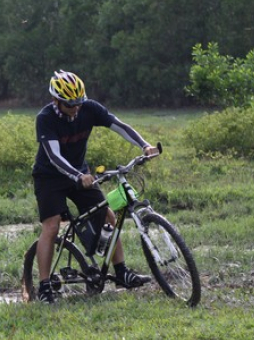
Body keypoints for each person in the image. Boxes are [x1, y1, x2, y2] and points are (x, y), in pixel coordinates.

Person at [32, 69, 160, 304]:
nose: (76, 108)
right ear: (56, 101)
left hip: (81, 174)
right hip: (50, 177)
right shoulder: (45, 118)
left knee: (108, 216)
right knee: (51, 227)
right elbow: (54, 155)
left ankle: (121, 272)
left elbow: (119, 125)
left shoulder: (89, 108)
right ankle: (44, 286)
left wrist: (144, 145)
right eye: (71, 104)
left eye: (79, 102)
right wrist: (78, 175)